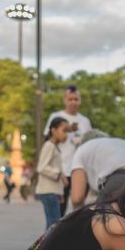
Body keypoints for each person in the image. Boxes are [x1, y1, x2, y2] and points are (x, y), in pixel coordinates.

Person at [69, 132, 125, 209]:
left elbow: (77, 198)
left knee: (99, 222)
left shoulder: (82, 149)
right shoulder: (122, 142)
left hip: (123, 176)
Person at [44, 85, 92, 216]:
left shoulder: (85, 121)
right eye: (70, 99)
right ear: (64, 100)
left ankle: (73, 234)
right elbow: (47, 140)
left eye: (76, 99)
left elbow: (90, 144)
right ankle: (57, 235)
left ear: (80, 101)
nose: (73, 102)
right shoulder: (56, 116)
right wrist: (66, 130)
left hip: (80, 170)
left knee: (79, 207)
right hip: (62, 170)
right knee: (60, 208)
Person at [36, 117, 68, 229]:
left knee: (52, 225)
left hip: (52, 191)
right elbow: (42, 167)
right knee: (53, 226)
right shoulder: (49, 146)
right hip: (48, 191)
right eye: (64, 130)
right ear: (53, 130)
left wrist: (60, 191)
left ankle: (45, 246)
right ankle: (45, 247)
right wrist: (59, 174)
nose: (66, 134)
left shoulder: (54, 147)